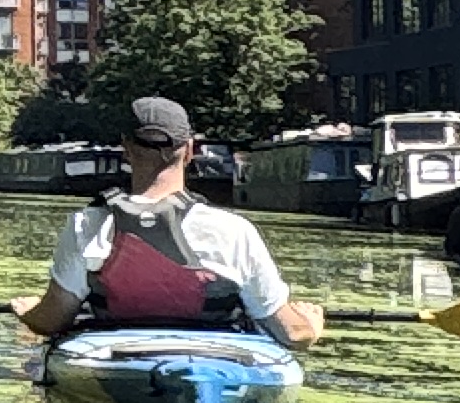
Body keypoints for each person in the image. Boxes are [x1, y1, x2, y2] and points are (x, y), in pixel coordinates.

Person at [17, 94, 326, 350]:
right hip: (215, 359)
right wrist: (310, 326)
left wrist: (30, 312)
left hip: (115, 356)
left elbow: (51, 321)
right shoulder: (234, 231)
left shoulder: (87, 224)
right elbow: (292, 334)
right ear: (190, 150)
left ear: (126, 149)